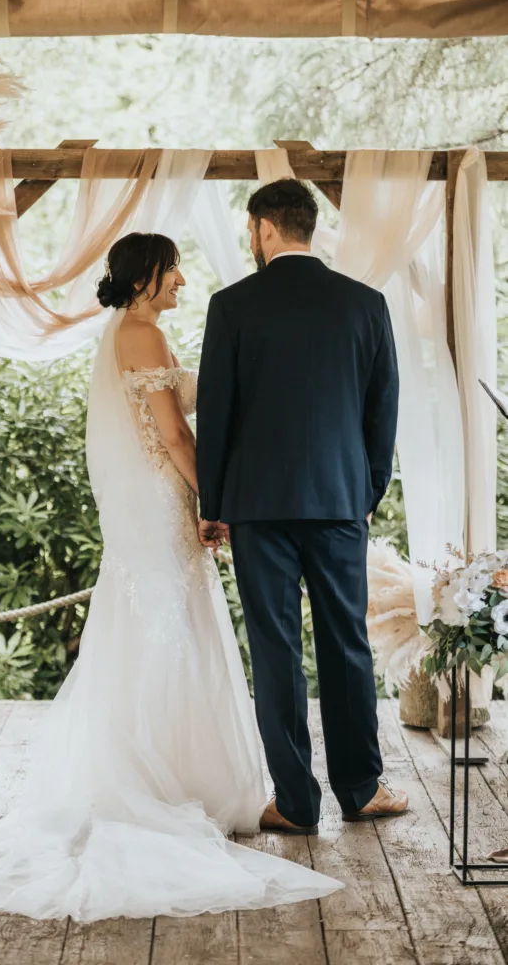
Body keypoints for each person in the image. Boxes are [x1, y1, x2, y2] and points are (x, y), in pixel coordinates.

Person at [0, 231, 341, 922]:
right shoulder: (138, 335)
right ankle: (162, 783)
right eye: (172, 270)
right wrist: (217, 501)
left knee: (168, 624)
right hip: (156, 499)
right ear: (147, 275)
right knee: (164, 629)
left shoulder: (137, 331)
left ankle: (178, 778)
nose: (181, 280)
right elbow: (174, 435)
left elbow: (198, 401)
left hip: (154, 500)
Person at [196, 180, 409, 835]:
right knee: (346, 644)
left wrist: (213, 503)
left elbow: (217, 414)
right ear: (307, 228)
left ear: (262, 229)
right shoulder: (364, 304)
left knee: (275, 648)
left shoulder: (230, 306)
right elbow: (382, 410)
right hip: (340, 502)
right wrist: (364, 491)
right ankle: (360, 788)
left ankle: (292, 801)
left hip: (256, 507)